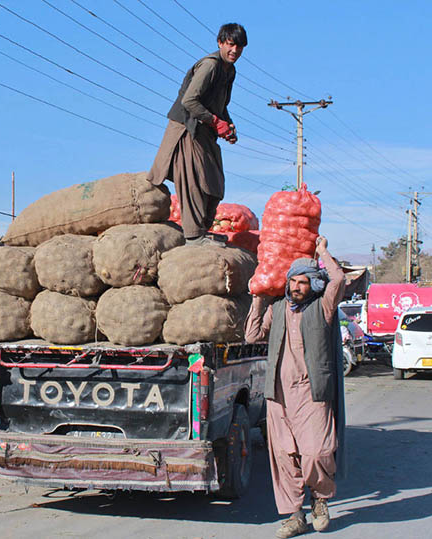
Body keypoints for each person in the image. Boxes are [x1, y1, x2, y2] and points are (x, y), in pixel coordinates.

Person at [245, 236, 346, 538]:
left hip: (312, 393)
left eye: (304, 282)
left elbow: (338, 278)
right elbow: (252, 336)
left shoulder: (323, 307)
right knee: (285, 457)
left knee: (316, 452)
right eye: (293, 282)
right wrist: (258, 298)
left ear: (313, 285)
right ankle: (293, 516)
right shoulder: (277, 309)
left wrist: (323, 251)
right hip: (278, 395)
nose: (297, 287)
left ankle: (320, 499)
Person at [147, 23, 247, 247]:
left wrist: (228, 125)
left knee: (214, 183)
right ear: (221, 43)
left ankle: (202, 230)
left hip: (204, 131)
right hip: (187, 129)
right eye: (231, 45)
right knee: (194, 181)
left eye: (239, 47)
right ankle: (193, 236)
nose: (235, 51)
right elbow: (189, 101)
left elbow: (220, 105)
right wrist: (215, 121)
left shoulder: (229, 70)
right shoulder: (210, 66)